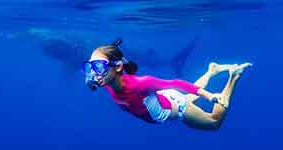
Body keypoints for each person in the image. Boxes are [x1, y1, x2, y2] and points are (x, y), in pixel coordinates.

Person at [83, 39, 252, 130]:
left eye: (98, 67)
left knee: (214, 122)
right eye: (90, 67)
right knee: (185, 97)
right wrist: (93, 82)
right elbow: (96, 81)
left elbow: (177, 83)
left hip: (178, 108)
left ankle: (233, 77)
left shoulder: (141, 84)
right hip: (166, 99)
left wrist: (209, 96)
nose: (94, 73)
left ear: (118, 67)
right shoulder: (106, 82)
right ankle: (212, 70)